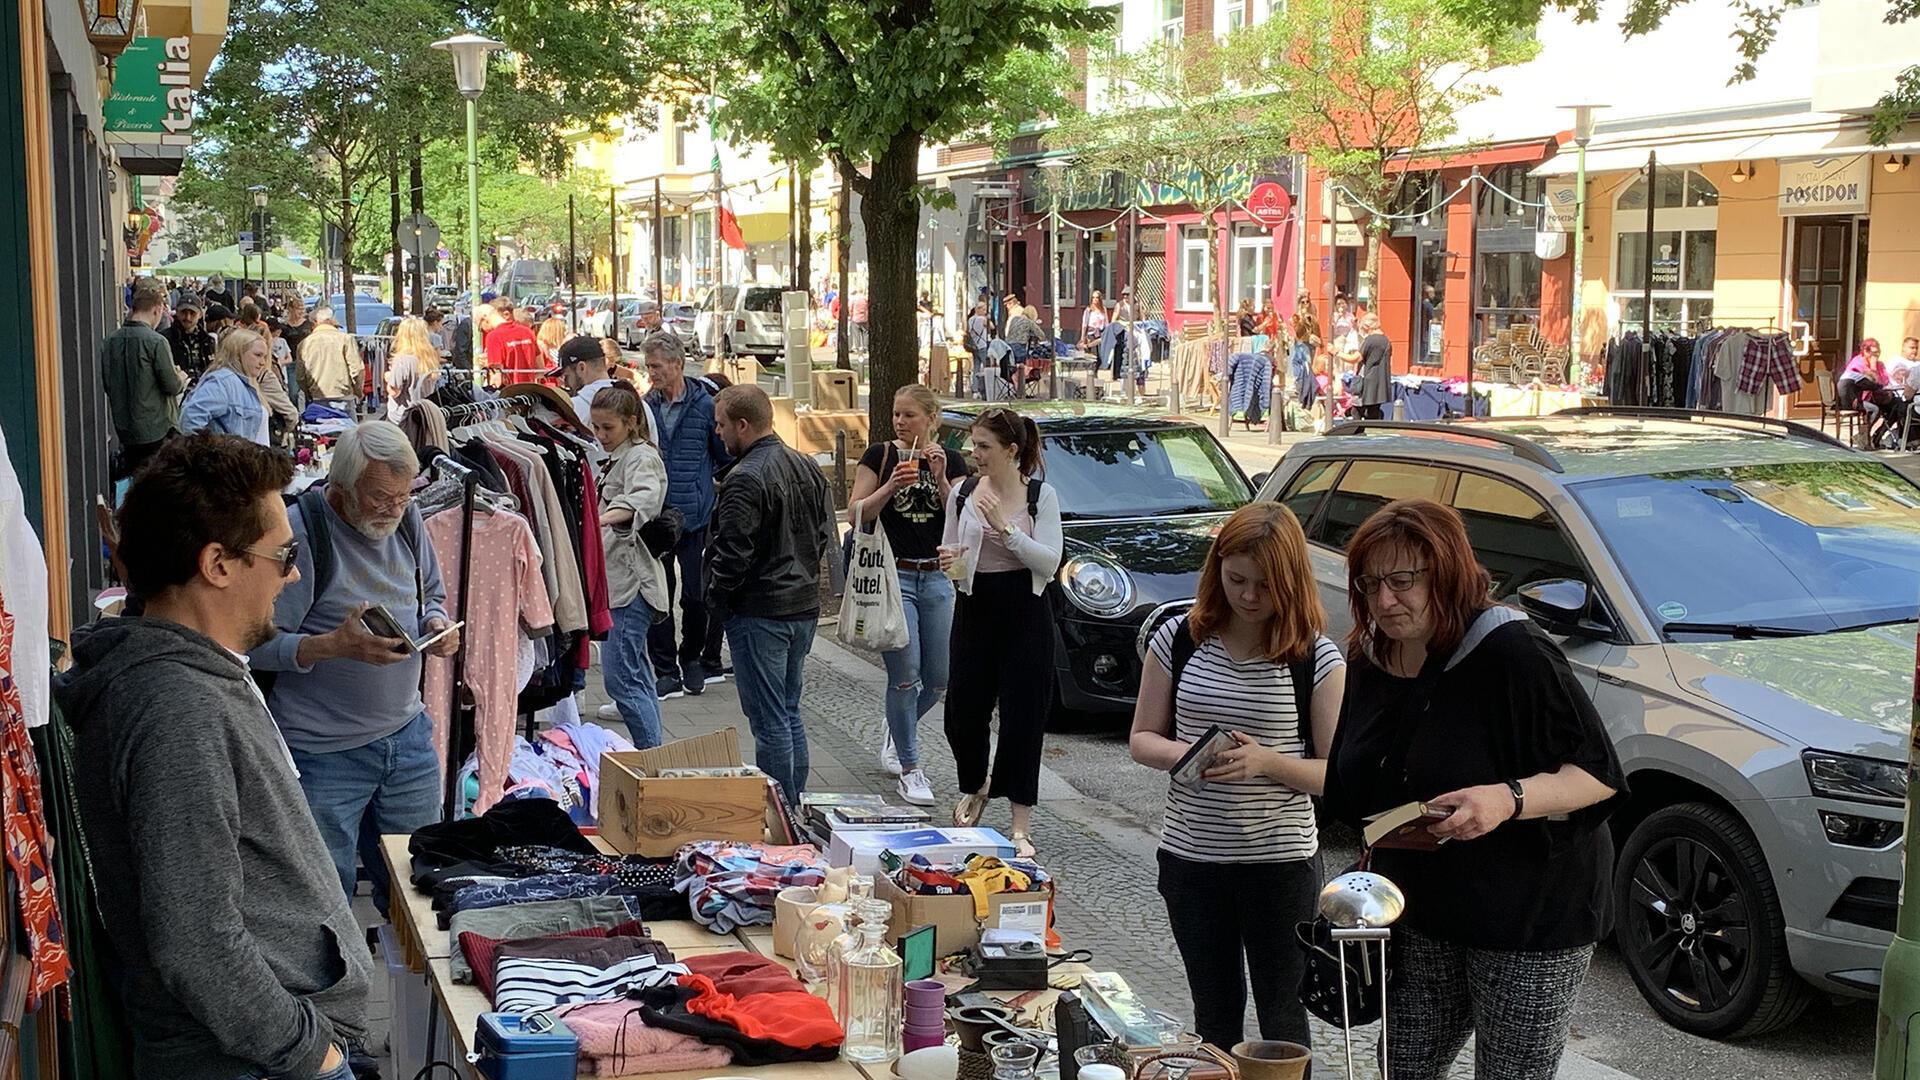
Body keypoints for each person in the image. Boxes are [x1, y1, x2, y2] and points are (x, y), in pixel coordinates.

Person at [57, 433, 370, 1080]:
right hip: (250, 1063)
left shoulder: (195, 677)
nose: (291, 575)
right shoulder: (177, 708)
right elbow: (197, 942)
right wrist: (316, 1055)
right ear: (218, 564)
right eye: (283, 554)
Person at [1321, 499, 1624, 1080]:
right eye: (1371, 583)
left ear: (1449, 574)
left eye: (1404, 581)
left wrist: (1506, 799)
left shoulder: (1512, 652)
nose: (1385, 600)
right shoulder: (1369, 654)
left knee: (1510, 1073)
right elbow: (1354, 781)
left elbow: (1598, 774)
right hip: (1424, 904)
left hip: (1528, 910)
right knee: (1402, 1067)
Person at [1129, 502, 1345, 1054]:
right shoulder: (1178, 639)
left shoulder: (1315, 658)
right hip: (1192, 860)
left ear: (1292, 582)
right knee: (1214, 1016)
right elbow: (1141, 739)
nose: (1249, 596)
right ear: (1216, 570)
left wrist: (1267, 762)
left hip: (1279, 866)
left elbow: (1337, 775)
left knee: (1283, 1021)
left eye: (1265, 585)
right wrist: (1192, 754)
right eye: (1236, 580)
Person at [250, 420, 459, 915]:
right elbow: (253, 645)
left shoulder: (406, 520)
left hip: (407, 738)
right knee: (326, 901)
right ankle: (339, 990)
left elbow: (432, 591)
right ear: (341, 489)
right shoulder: (301, 535)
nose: (392, 509)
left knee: (420, 892)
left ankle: (411, 989)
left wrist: (436, 623)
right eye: (379, 498)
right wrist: (332, 647)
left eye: (403, 497)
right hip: (321, 754)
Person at [939, 408, 1063, 858]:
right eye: (974, 445)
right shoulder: (963, 492)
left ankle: (1020, 823)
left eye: (984, 446)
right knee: (962, 713)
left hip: (1025, 609)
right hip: (975, 605)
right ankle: (976, 783)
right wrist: (950, 562)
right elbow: (953, 547)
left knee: (1023, 718)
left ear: (1012, 451)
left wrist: (1005, 529)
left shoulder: (1040, 497)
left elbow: (1049, 562)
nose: (975, 455)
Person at [708, 384, 835, 805]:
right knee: (787, 710)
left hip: (762, 609)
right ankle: (793, 801)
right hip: (799, 604)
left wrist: (719, 600)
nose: (718, 432)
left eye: (722, 424)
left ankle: (779, 807)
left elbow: (734, 553)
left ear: (743, 425)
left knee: (770, 719)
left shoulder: (745, 478)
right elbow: (821, 536)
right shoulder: (805, 465)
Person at [848, 385, 967, 807]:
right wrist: (889, 486)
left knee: (939, 678)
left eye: (910, 415)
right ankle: (911, 769)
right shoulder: (880, 456)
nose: (900, 422)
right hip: (892, 577)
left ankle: (898, 727)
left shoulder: (950, 459)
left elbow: (964, 516)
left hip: (936, 577)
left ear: (931, 418)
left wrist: (938, 476)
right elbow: (856, 511)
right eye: (897, 415)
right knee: (905, 674)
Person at [643, 334, 733, 697]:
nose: (652, 374)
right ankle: (665, 668)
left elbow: (725, 456)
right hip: (655, 516)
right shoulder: (645, 407)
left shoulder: (705, 405)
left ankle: (691, 658)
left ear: (678, 364)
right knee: (657, 595)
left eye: (657, 367)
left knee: (696, 595)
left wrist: (716, 490)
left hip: (695, 517)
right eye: (648, 367)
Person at [590, 382, 670, 748]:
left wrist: (598, 519)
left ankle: (649, 759)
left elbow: (644, 502)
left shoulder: (641, 458)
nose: (601, 435)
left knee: (622, 678)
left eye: (609, 428)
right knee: (634, 676)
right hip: (618, 584)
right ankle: (652, 758)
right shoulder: (617, 456)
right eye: (596, 427)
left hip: (631, 586)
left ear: (632, 422)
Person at [104, 284, 186, 475]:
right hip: (156, 429)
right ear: (157, 310)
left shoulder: (110, 341)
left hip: (124, 428)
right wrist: (181, 377)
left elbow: (108, 384)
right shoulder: (156, 341)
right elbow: (171, 385)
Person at [554, 334, 655, 442]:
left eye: (566, 376)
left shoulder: (572, 409)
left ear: (581, 368)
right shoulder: (641, 405)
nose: (565, 383)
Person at [181, 328, 273, 444]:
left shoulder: (245, 382)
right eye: (258, 355)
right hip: (232, 459)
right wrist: (214, 455)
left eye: (264, 357)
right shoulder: (222, 381)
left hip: (248, 459)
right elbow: (190, 418)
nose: (262, 362)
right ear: (238, 353)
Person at [384, 316, 444, 423]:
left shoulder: (403, 360)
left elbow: (395, 391)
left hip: (402, 415)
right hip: (424, 411)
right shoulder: (429, 358)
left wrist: (388, 377)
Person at [1841, 338, 1898, 448]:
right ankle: (1863, 435)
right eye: (1873, 353)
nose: (1876, 356)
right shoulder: (1857, 364)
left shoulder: (1880, 364)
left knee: (1896, 408)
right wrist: (1872, 367)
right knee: (1876, 409)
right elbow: (1872, 382)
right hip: (1861, 398)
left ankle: (1877, 436)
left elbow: (1885, 381)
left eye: (1878, 352)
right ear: (1865, 351)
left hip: (1878, 396)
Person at [299, 307, 363, 403]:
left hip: (317, 396)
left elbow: (300, 376)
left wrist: (310, 392)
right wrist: (358, 391)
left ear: (314, 323)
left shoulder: (305, 343)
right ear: (330, 321)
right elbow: (357, 369)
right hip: (343, 395)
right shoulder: (346, 339)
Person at [484, 296, 545, 385]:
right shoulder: (528, 332)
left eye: (491, 317)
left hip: (508, 391)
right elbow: (540, 368)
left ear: (506, 314)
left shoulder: (494, 336)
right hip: (529, 389)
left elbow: (497, 378)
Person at [164, 297, 217, 378]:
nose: (187, 317)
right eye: (183, 312)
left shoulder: (208, 340)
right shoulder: (165, 339)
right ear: (177, 312)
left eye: (192, 313)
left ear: (200, 314)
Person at [1355, 313, 1392, 420]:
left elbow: (1356, 358)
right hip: (1381, 381)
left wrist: (1337, 352)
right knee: (1373, 411)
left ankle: (1359, 433)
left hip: (1369, 381)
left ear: (1367, 327)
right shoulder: (1386, 340)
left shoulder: (1370, 340)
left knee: (1357, 411)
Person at [281, 294, 315, 361]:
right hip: (291, 361)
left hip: (307, 359)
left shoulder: (309, 323)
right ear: (291, 309)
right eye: (299, 309)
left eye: (303, 309)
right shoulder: (284, 326)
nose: (302, 311)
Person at [850, 289, 870, 354]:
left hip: (855, 318)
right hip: (864, 318)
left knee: (856, 334)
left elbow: (850, 308)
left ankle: (857, 347)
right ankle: (865, 347)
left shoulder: (854, 299)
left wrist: (851, 315)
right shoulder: (865, 299)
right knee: (865, 333)